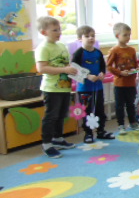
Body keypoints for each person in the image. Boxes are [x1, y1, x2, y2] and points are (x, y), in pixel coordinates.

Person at [35, 16, 78, 158]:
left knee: (61, 114)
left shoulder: (61, 46)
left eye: (59, 29)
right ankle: (47, 144)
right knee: (51, 116)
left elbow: (66, 65)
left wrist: (73, 70)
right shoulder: (43, 48)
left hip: (64, 87)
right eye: (55, 30)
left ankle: (58, 139)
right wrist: (64, 70)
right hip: (51, 88)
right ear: (44, 32)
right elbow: (41, 68)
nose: (59, 32)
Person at [71, 25, 115, 143]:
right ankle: (88, 134)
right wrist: (88, 76)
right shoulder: (79, 53)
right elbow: (74, 69)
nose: (91, 38)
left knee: (100, 110)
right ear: (80, 39)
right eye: (87, 36)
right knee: (87, 111)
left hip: (98, 88)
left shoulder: (98, 53)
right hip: (84, 89)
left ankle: (101, 131)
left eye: (93, 36)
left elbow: (102, 67)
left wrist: (102, 73)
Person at [106, 22, 139, 134]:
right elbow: (109, 66)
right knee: (119, 105)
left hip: (131, 83)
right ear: (118, 36)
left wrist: (137, 70)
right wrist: (120, 73)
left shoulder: (132, 50)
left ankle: (133, 123)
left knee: (131, 104)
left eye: (129, 35)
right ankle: (121, 125)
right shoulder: (114, 50)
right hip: (119, 84)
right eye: (125, 35)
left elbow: (135, 64)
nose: (128, 37)